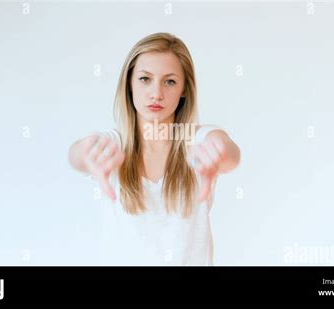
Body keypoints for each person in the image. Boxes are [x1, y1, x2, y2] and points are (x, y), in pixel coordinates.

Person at [68, 32, 240, 265]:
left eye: (169, 81)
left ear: (184, 90)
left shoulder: (198, 140)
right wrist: (86, 154)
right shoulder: (115, 145)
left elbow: (229, 152)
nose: (156, 93)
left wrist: (219, 153)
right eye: (145, 79)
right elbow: (77, 155)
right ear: (129, 83)